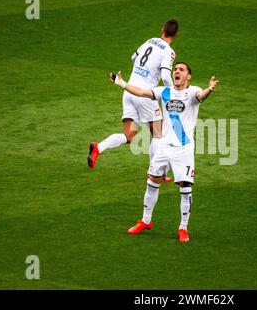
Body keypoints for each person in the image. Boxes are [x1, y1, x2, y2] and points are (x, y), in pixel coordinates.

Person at [109, 61, 219, 242]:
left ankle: (183, 228)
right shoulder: (164, 91)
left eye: (181, 70)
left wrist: (210, 89)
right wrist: (122, 84)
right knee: (152, 181)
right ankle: (145, 221)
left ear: (188, 76)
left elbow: (201, 96)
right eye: (175, 69)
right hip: (164, 146)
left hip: (183, 148)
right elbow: (142, 92)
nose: (176, 71)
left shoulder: (192, 92)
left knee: (185, 187)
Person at [88, 19, 179, 179]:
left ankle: (98, 148)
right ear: (176, 35)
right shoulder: (169, 51)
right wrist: (172, 93)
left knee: (129, 135)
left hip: (129, 89)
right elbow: (165, 75)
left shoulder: (149, 41)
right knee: (158, 134)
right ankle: (157, 173)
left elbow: (133, 57)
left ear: (161, 30)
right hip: (144, 94)